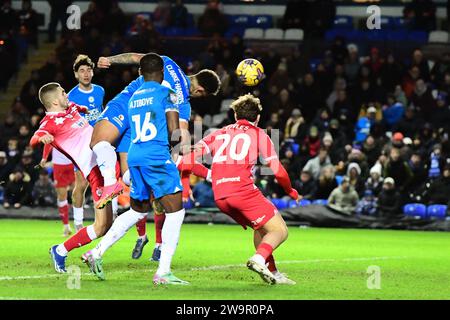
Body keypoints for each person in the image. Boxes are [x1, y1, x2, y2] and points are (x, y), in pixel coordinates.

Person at [93, 52, 220, 260]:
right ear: (200, 90)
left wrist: (110, 60)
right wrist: (190, 151)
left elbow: (136, 57)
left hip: (128, 104)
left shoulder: (169, 63)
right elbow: (180, 135)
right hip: (145, 139)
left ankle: (113, 189)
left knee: (101, 147)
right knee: (143, 190)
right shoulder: (183, 103)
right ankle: (161, 262)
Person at [81, 53, 188, 285]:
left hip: (136, 154)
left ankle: (96, 252)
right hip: (156, 156)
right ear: (161, 73)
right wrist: (180, 148)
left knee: (138, 211)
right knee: (176, 212)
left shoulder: (134, 96)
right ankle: (163, 272)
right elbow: (173, 131)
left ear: (141, 73)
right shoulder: (166, 93)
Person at [184, 94, 299, 285]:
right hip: (242, 191)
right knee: (280, 230)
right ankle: (259, 259)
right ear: (258, 117)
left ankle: (273, 272)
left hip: (220, 196)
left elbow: (186, 161)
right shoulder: (259, 134)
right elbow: (278, 171)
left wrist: (205, 177)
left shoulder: (218, 133)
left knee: (261, 228)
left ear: (235, 115)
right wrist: (290, 190)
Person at [30, 82, 119, 273]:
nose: (66, 94)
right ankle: (61, 250)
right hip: (96, 172)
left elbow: (78, 108)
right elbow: (34, 138)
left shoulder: (70, 107)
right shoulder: (49, 123)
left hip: (105, 163)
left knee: (107, 224)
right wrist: (41, 138)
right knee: (101, 226)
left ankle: (63, 250)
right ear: (54, 101)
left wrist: (83, 108)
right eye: (63, 93)